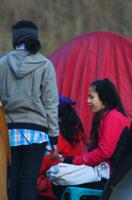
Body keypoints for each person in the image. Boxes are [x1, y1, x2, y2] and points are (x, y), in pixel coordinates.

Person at [0, 20, 59, 200]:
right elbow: (51, 103)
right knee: (28, 182)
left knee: (11, 182)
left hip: (8, 131)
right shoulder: (45, 65)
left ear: (15, 40)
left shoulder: (2, 64)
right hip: (36, 132)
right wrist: (54, 136)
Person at [51, 78, 130, 199]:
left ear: (104, 99)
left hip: (110, 175)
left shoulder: (113, 117)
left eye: (91, 97)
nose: (88, 101)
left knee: (57, 177)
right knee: (56, 175)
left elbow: (104, 152)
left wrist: (75, 161)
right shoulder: (106, 117)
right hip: (106, 171)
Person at [37, 96, 86, 200]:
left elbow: (44, 162)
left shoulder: (58, 138)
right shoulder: (75, 134)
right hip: (68, 186)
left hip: (51, 190)